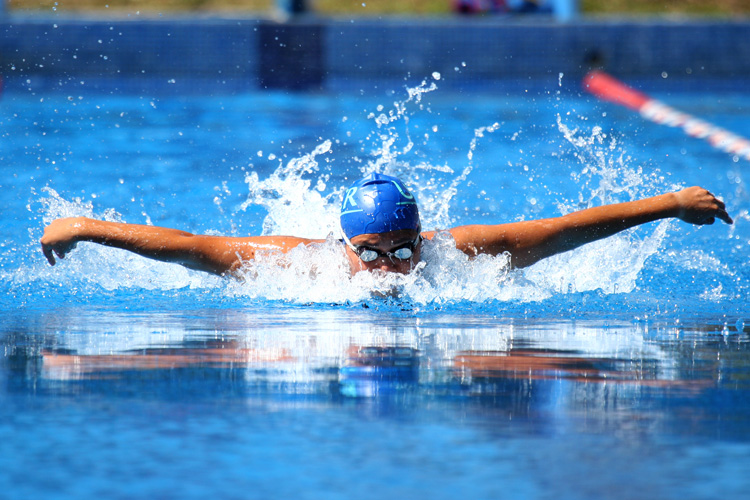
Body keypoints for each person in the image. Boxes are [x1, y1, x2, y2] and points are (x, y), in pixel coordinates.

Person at [40, 173, 732, 277]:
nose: (397, 269)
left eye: (406, 248)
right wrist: (82, 225)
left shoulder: (455, 255)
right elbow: (191, 249)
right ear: (345, 245)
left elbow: (569, 228)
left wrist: (667, 204)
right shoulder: (299, 267)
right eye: (374, 255)